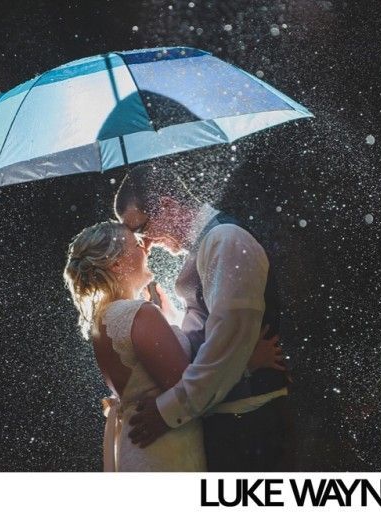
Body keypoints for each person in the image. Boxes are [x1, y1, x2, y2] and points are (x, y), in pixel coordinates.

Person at [62, 221, 284, 471]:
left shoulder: (104, 319)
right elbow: (191, 389)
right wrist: (248, 363)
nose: (146, 247)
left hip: (138, 447)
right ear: (116, 264)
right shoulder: (140, 314)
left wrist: (168, 318)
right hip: (166, 451)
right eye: (136, 243)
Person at [114, 165, 294, 471]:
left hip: (247, 425)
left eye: (141, 229)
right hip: (230, 423)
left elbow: (227, 347)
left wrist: (168, 412)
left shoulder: (225, 240)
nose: (144, 243)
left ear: (168, 206)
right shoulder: (205, 247)